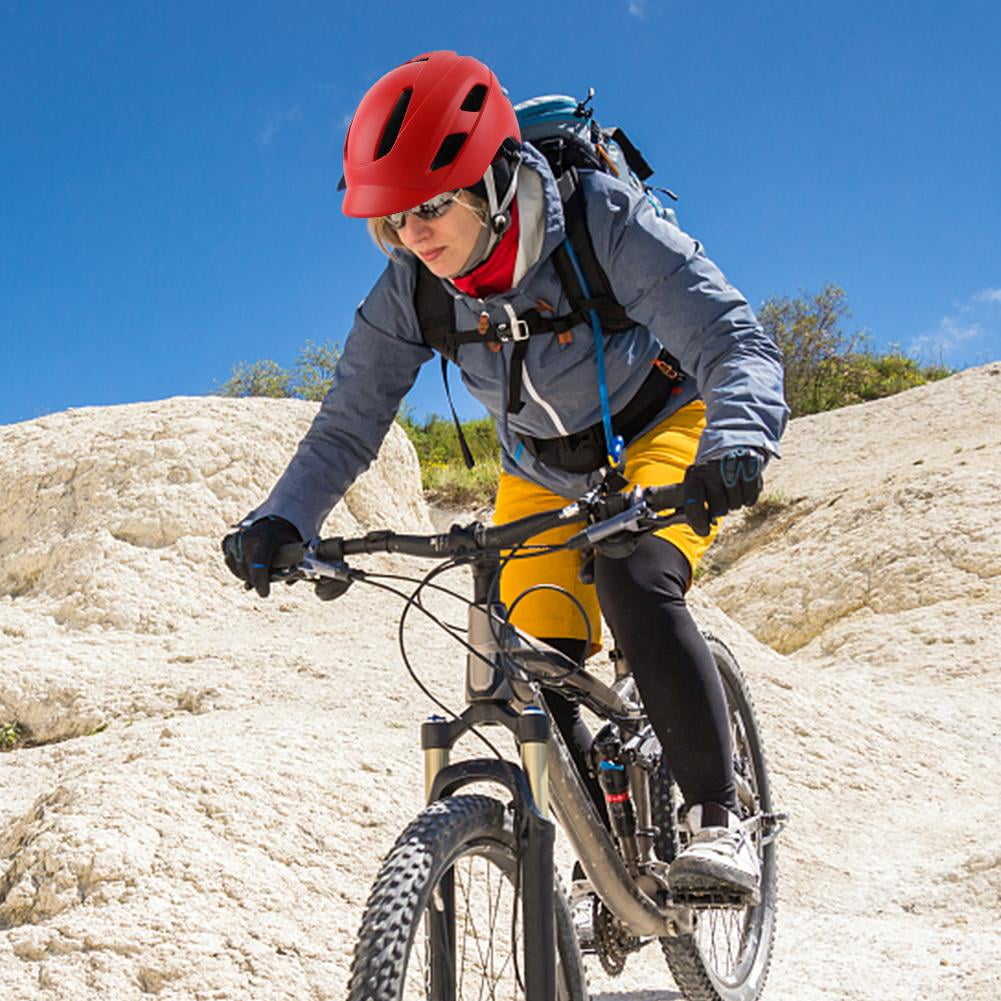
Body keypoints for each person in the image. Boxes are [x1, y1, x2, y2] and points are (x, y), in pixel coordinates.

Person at [223, 50, 788, 900]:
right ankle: (596, 864)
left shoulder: (600, 220)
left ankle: (719, 817)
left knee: (635, 578)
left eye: (429, 206)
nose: (412, 234)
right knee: (528, 658)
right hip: (540, 466)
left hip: (663, 426)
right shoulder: (411, 290)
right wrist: (284, 519)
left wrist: (734, 443)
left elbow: (729, 337)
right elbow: (348, 421)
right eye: (391, 219)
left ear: (489, 180)